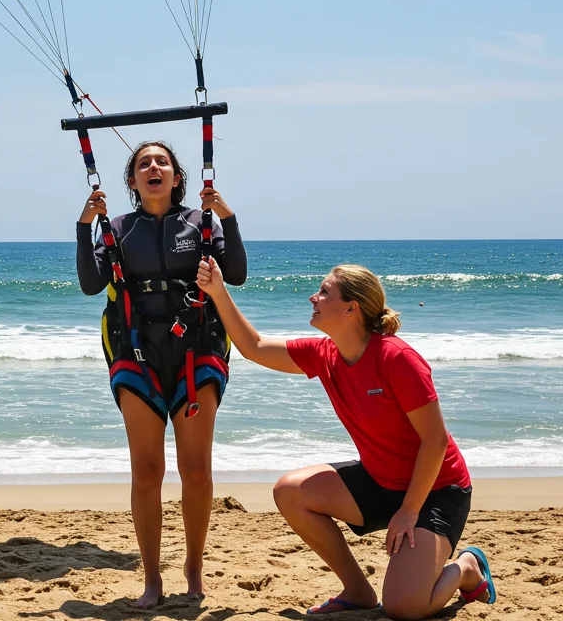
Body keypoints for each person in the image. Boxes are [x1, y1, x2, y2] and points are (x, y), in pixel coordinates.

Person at [195, 258, 497, 619]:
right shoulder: (324, 354)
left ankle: (466, 567)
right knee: (290, 491)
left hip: (435, 491)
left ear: (352, 308)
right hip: (380, 481)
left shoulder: (396, 358)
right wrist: (218, 291)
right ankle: (357, 590)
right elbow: (254, 346)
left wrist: (409, 511)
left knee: (404, 607)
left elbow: (435, 443)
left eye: (324, 292)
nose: (313, 298)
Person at [76, 140, 247, 608]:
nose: (153, 167)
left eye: (162, 162)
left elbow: (236, 276)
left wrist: (228, 219)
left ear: (177, 177)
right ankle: (152, 578)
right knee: (147, 472)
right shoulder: (117, 229)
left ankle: (193, 565)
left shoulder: (201, 223)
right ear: (132, 181)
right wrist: (84, 226)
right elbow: (92, 285)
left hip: (197, 347)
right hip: (137, 351)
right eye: (143, 164)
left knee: (196, 470)